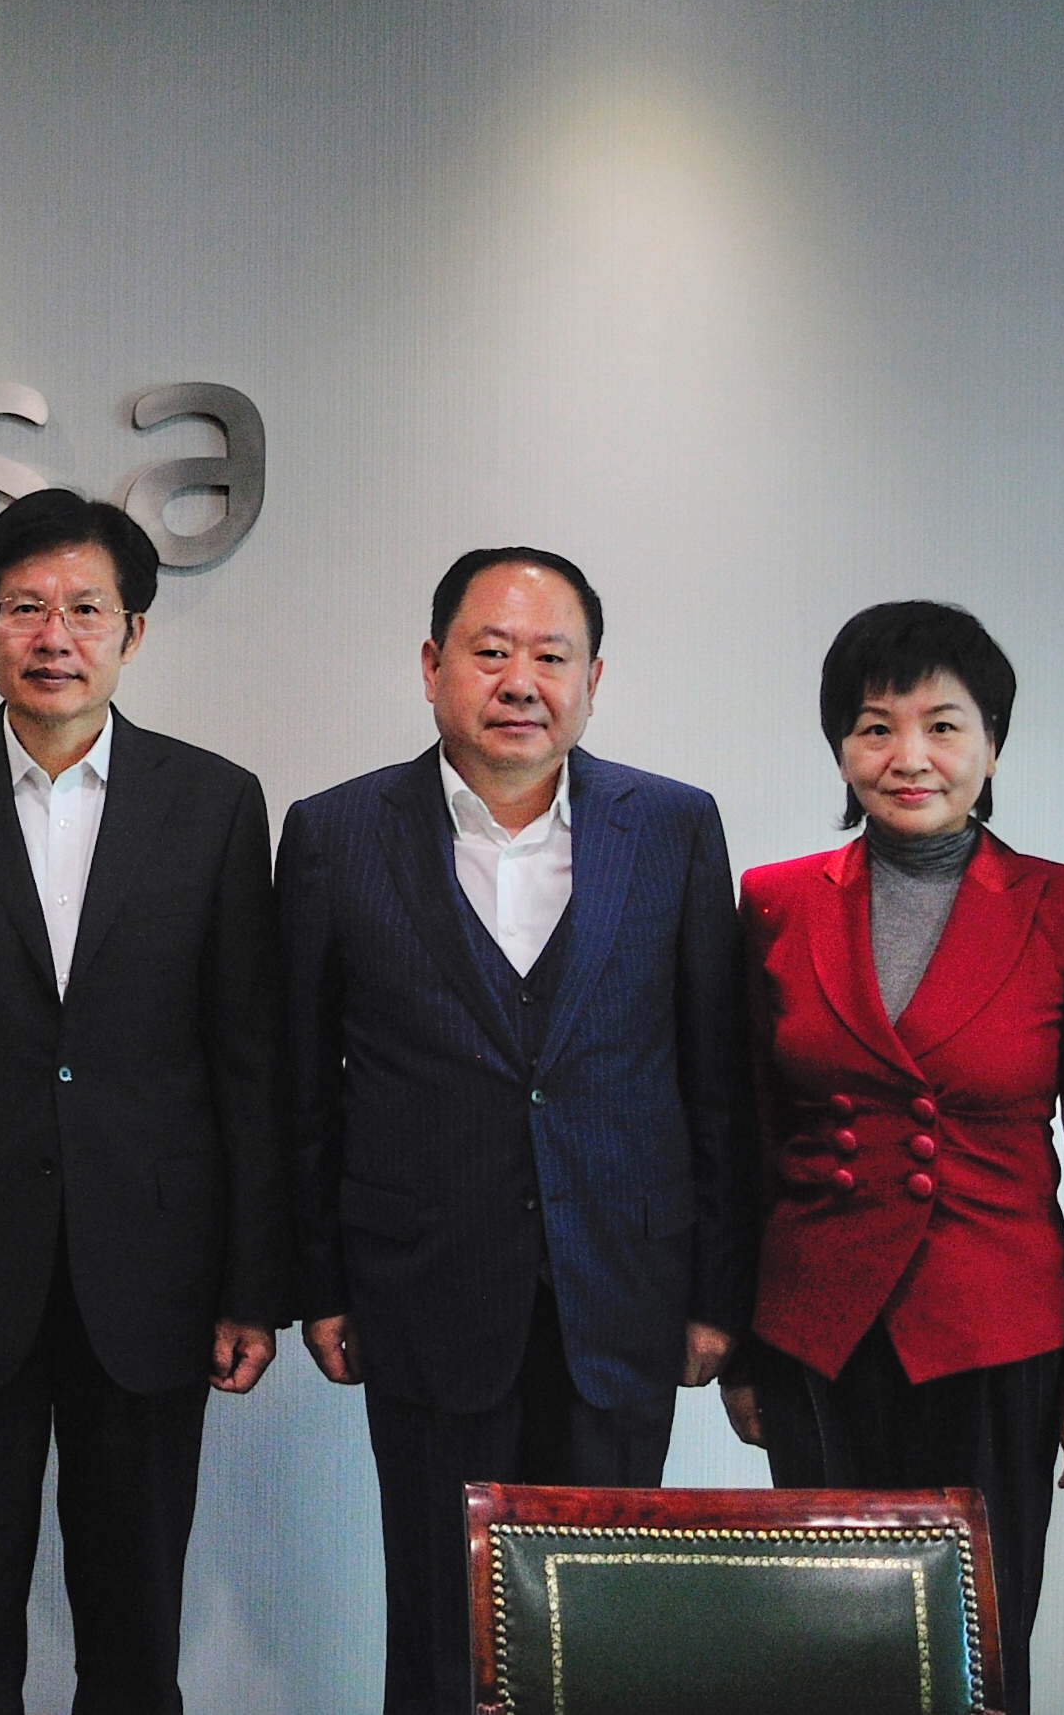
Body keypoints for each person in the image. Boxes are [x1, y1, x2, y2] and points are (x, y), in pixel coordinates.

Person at [0, 489, 290, 1715]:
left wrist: (253, 1284)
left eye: (85, 609)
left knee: (135, 1636)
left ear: (133, 632)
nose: (53, 635)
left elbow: (247, 1062)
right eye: (24, 607)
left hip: (154, 1270)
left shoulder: (215, 803)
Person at [279, 546, 752, 1715]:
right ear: (431, 666)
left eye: (551, 655)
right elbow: (300, 1085)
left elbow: (716, 1077)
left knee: (606, 1628)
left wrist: (715, 1292)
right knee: (441, 1628)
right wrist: (317, 1284)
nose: (520, 680)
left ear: (594, 679)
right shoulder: (335, 833)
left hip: (623, 1289)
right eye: (489, 651)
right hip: (422, 1287)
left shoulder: (674, 826)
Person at [719, 601, 1064, 1715]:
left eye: (943, 725)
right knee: (822, 1652)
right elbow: (748, 1142)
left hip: (997, 1335)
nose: (908, 756)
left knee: (978, 1656)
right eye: (875, 727)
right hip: (815, 1335)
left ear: (992, 743)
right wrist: (743, 1356)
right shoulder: (773, 901)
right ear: (840, 748)